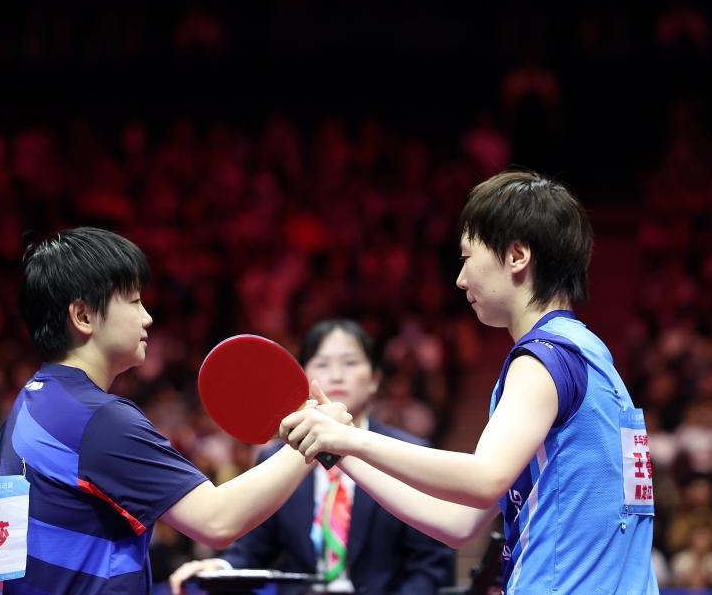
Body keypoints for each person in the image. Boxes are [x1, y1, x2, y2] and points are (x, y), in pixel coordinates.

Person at [280, 171, 660, 593]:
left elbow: (483, 479)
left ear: (517, 256)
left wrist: (351, 438)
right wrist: (337, 450)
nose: (460, 279)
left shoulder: (541, 360)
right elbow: (457, 523)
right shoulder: (589, 355)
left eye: (466, 257)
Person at [0, 227, 348, 593]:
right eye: (133, 302)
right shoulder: (97, 421)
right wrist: (316, 433)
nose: (147, 317)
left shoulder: (20, 415)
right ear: (83, 316)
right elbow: (218, 520)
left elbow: (3, 560)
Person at [168, 319, 455, 594]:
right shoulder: (274, 460)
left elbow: (430, 565)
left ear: (374, 379)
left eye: (350, 363)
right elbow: (253, 548)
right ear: (302, 377)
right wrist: (220, 568)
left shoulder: (408, 454)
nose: (336, 375)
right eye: (322, 363)